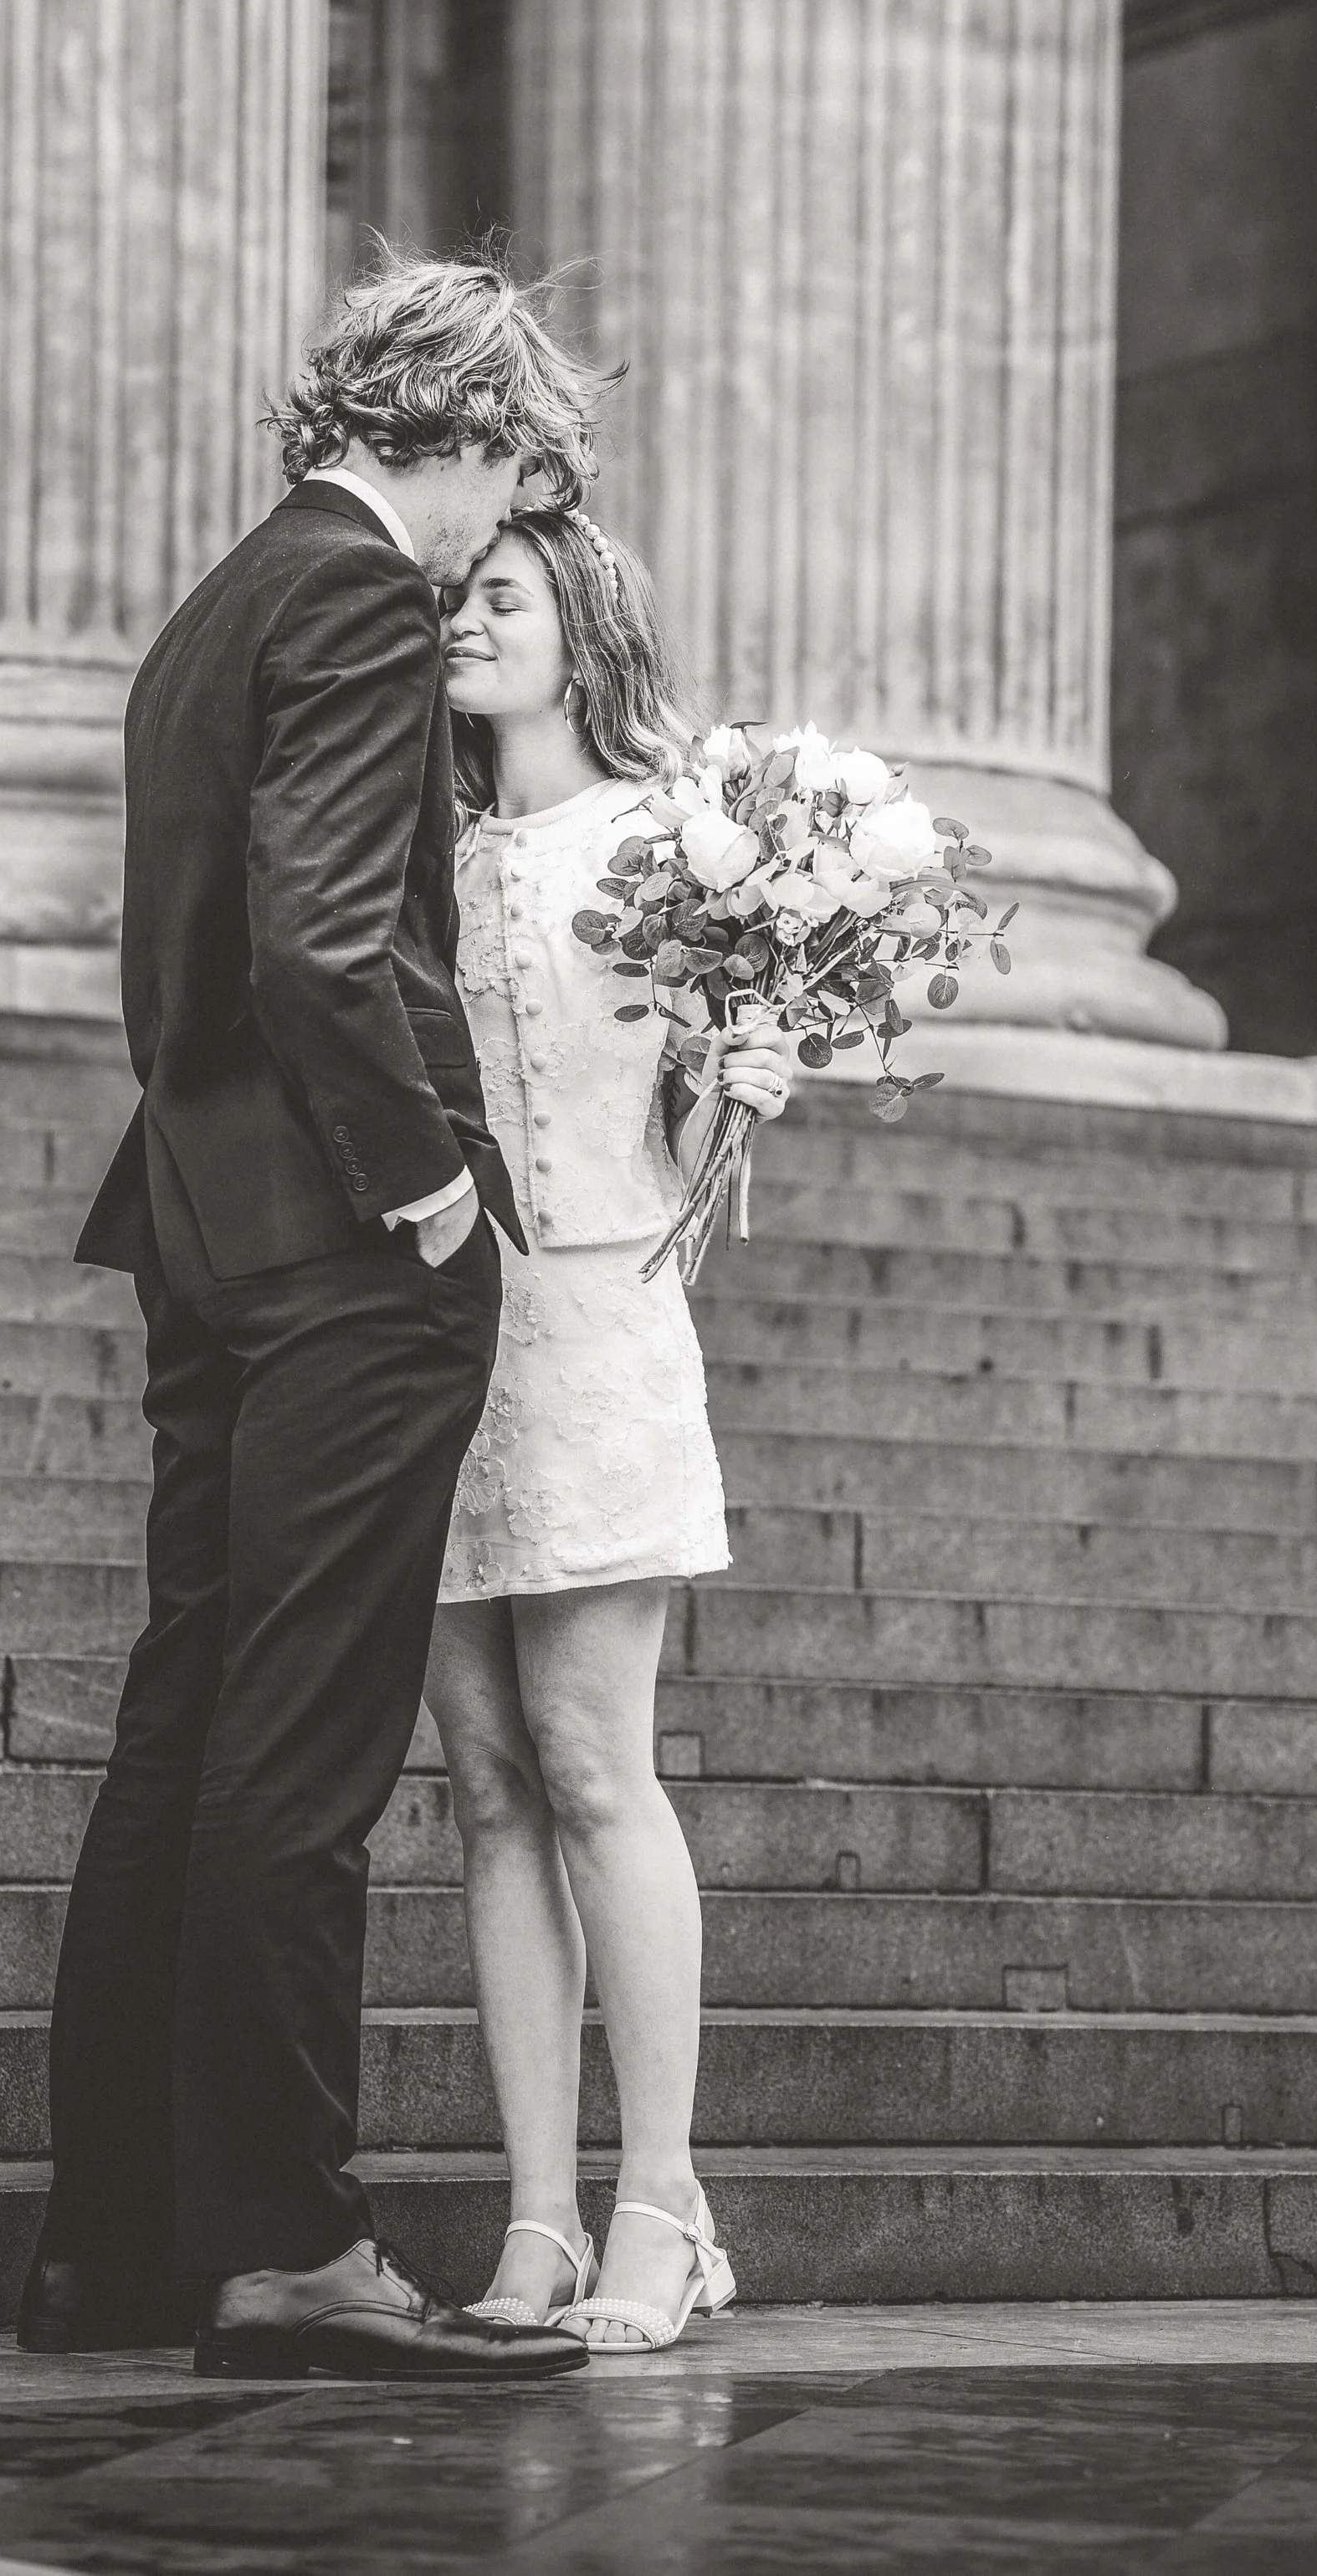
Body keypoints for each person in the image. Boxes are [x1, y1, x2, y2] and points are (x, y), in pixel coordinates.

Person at [21, 251, 609, 2384]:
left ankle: (112, 2246)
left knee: (187, 1725)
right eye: (514, 465)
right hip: (342, 1240)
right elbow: (328, 934)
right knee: (304, 1742)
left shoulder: (214, 605)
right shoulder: (359, 593)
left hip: (197, 1222)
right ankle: (284, 2245)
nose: (500, 523)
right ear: (451, 429)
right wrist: (433, 1184)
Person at [424, 513, 794, 2354]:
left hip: (596, 1327)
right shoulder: (424, 847)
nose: (462, 622)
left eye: (496, 597)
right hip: (432, 1346)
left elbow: (720, 1072)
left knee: (589, 1762)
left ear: (581, 628)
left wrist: (757, 1059)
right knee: (483, 1783)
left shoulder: (677, 838)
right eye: (452, 597)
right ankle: (537, 2221)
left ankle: (661, 2204)